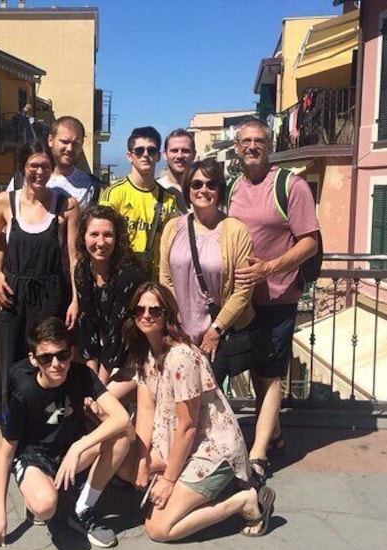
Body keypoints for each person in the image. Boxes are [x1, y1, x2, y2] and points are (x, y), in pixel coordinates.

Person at [121, 282, 276, 541]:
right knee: (125, 462)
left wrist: (169, 480)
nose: (146, 315)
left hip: (210, 450)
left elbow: (188, 426)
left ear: (167, 315)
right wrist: (141, 461)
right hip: (176, 443)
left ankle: (244, 502)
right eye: (140, 310)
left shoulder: (181, 357)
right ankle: (187, 492)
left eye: (155, 311)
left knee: (159, 529)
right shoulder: (146, 353)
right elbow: (146, 409)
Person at [0, 317, 132, 550]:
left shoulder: (82, 375)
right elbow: (5, 454)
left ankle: (83, 508)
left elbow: (122, 418)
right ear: (34, 359)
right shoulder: (24, 393)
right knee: (45, 506)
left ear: (71, 352)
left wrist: (79, 447)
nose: (56, 364)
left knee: (121, 437)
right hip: (36, 456)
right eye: (46, 358)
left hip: (71, 451)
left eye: (62, 355)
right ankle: (39, 488)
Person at [227, 118, 320, 482]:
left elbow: (309, 240)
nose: (252, 146)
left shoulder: (290, 186)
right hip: (241, 301)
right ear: (236, 148)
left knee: (270, 373)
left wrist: (271, 268)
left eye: (259, 141)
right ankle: (276, 434)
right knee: (253, 371)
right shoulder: (234, 187)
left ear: (269, 146)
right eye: (246, 141)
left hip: (279, 297)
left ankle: (259, 452)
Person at [0, 139, 80, 414]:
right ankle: (11, 423)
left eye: (45, 166)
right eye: (33, 165)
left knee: (50, 360)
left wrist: (75, 299)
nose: (39, 172)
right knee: (11, 362)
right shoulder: (4, 202)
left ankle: (47, 423)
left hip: (51, 293)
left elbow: (73, 256)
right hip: (12, 293)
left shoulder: (66, 205)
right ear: (22, 167)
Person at [159, 159, 255, 355]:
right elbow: (165, 277)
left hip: (216, 337)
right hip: (178, 336)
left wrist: (215, 330)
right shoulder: (173, 228)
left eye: (211, 184)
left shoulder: (236, 231)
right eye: (196, 184)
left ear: (219, 190)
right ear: (187, 189)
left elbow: (243, 290)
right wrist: (174, 320)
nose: (203, 190)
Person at [74, 205, 146, 391]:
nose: (101, 242)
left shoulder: (129, 275)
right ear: (83, 236)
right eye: (94, 234)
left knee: (102, 407)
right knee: (87, 402)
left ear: (117, 238)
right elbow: (87, 325)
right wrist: (91, 380)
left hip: (136, 358)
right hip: (106, 358)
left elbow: (117, 331)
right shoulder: (82, 270)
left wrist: (99, 387)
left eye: (108, 235)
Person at [98, 126, 181, 276]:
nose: (145, 155)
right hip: (119, 275)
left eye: (151, 150)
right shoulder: (113, 193)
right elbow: (101, 236)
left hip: (154, 279)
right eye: (139, 150)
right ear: (130, 156)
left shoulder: (169, 199)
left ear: (158, 156)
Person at [6, 116, 103, 209]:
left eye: (75, 144)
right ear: (50, 140)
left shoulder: (92, 187)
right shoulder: (23, 180)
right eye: (65, 142)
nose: (70, 148)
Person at [157, 128, 196, 212]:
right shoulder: (155, 189)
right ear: (165, 154)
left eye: (185, 151)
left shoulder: (204, 191)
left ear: (194, 155)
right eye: (174, 151)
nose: (179, 156)